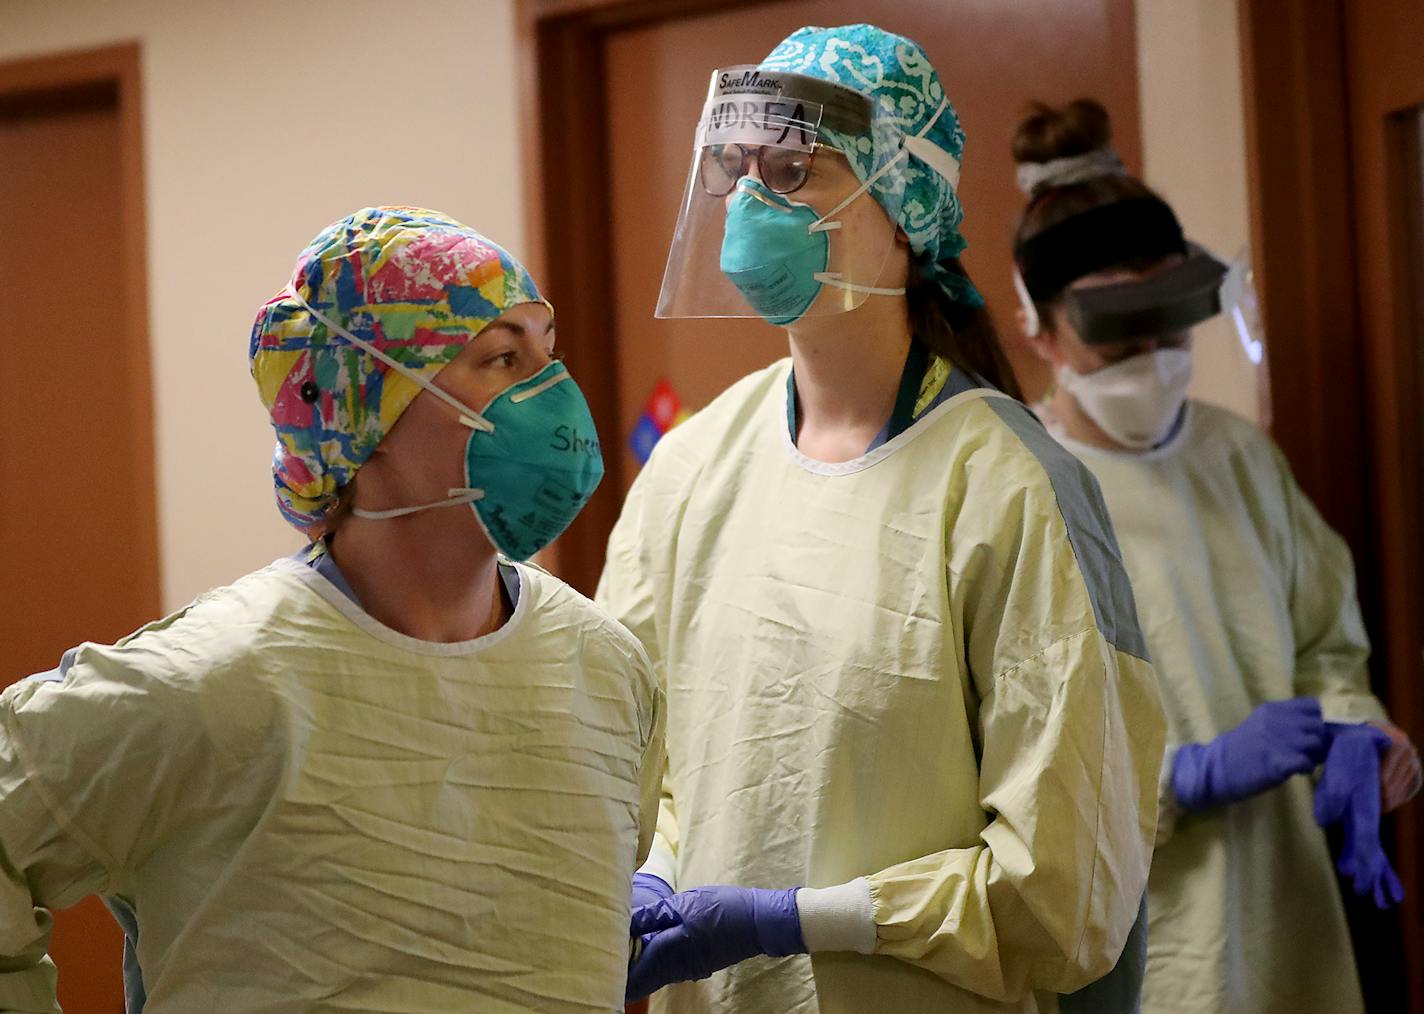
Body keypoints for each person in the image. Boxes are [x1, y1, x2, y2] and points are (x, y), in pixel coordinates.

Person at [597, 26, 1166, 1014]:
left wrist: (803, 920)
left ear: (901, 208)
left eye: (791, 170)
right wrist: (652, 866)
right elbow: (639, 752)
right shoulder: (689, 471)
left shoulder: (1008, 486)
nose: (747, 200)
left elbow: (1067, 893)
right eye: (735, 168)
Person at [0, 206, 664, 1013]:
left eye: (545, 353)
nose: (553, 394)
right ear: (361, 415)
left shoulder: (604, 666)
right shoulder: (217, 683)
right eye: (500, 358)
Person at [1008, 99, 1422, 1014]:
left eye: (1171, 324)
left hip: (1288, 924)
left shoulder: (1238, 459)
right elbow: (1009, 769)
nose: (1153, 358)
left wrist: (1358, 730)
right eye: (1120, 333)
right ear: (1039, 325)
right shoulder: (1017, 491)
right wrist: (1179, 779)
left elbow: (1326, 642)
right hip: (1142, 950)